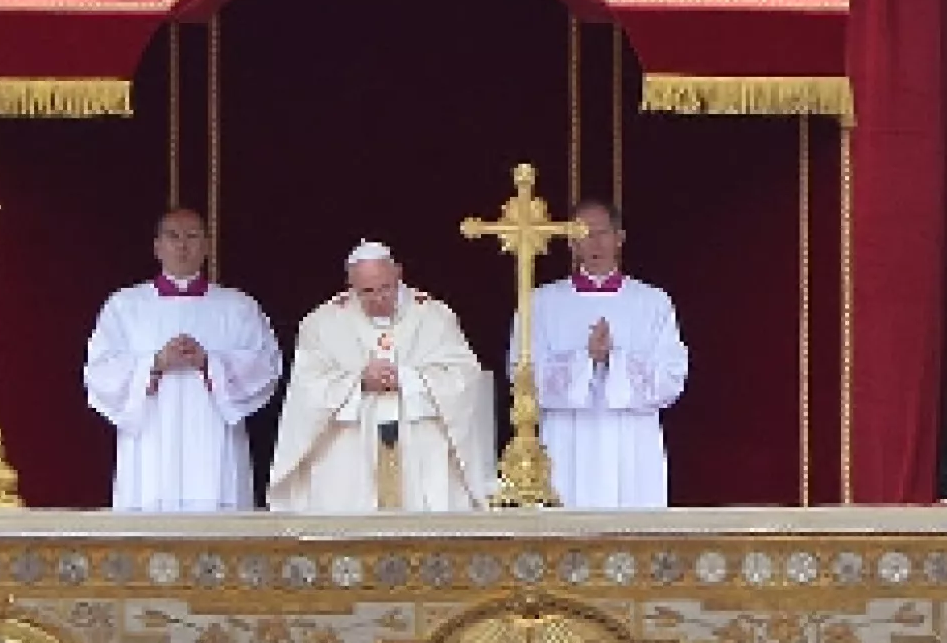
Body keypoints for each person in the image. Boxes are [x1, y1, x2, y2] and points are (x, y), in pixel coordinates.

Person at [268, 239, 487, 511]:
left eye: (386, 288)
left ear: (399, 273)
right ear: (351, 286)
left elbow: (465, 377)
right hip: (349, 450)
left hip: (418, 444)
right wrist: (358, 382)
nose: (379, 298)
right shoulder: (322, 323)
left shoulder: (434, 316)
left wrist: (408, 379)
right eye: (367, 291)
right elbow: (306, 388)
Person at [85, 208, 281, 511]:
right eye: (173, 236)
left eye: (192, 237)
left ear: (205, 246)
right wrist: (154, 363)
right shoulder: (125, 306)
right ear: (157, 246)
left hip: (214, 441)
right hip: (151, 446)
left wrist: (210, 363)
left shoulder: (237, 307)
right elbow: (99, 371)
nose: (182, 245)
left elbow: (265, 367)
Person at [512, 198, 687, 508]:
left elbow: (671, 378)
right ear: (571, 243)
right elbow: (523, 377)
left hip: (632, 443)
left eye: (601, 233)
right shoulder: (540, 303)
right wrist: (586, 359)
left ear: (619, 238)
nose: (593, 243)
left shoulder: (653, 303)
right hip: (568, 441)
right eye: (583, 233)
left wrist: (613, 360)